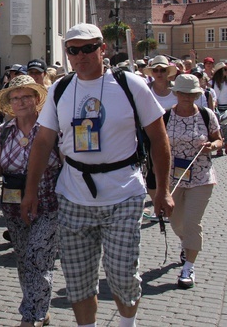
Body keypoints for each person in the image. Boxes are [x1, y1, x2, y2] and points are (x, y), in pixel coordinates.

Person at [21, 23, 175, 327]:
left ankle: (126, 323)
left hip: (123, 192)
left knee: (122, 276)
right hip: (74, 195)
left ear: (102, 49)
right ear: (67, 54)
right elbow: (42, 142)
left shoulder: (130, 84)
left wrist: (163, 190)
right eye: (73, 50)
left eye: (89, 48)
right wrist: (30, 192)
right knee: (78, 282)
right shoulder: (60, 89)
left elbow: (159, 138)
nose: (81, 55)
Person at [0, 76, 60, 327]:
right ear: (9, 104)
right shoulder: (3, 133)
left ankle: (30, 316)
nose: (21, 102)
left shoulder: (50, 129)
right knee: (24, 259)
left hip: (47, 202)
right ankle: (40, 308)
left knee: (39, 256)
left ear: (37, 100)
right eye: (16, 98)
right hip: (14, 204)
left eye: (27, 97)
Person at [165, 74, 222, 289]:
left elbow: (218, 139)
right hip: (173, 176)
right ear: (176, 94)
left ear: (197, 95)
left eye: (192, 94)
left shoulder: (207, 115)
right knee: (176, 220)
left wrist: (213, 146)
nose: (187, 98)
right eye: (183, 93)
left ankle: (188, 267)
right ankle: (186, 242)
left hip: (201, 176)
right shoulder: (166, 116)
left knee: (191, 222)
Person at [141, 55, 178, 219]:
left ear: (168, 72)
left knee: (171, 170)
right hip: (151, 135)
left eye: (162, 70)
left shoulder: (176, 92)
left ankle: (170, 199)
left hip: (173, 135)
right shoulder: (145, 90)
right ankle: (157, 200)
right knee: (151, 171)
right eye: (156, 70)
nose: (159, 73)